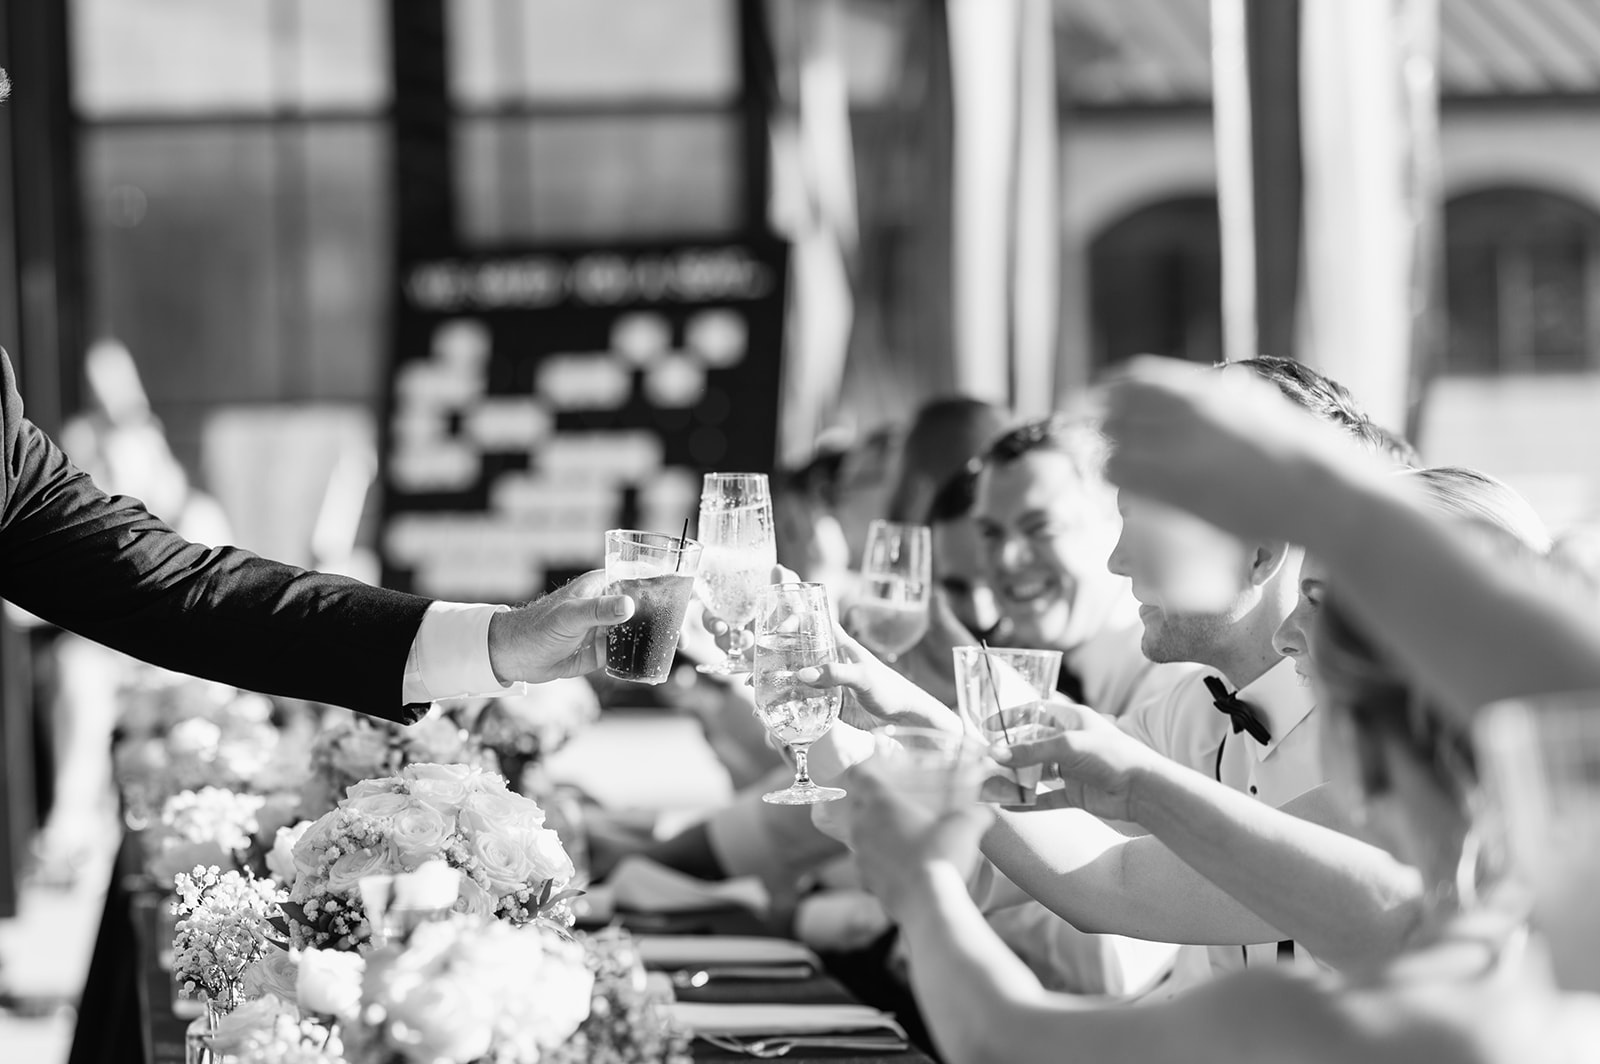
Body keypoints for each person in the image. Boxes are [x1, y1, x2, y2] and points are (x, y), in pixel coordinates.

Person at [820, 516, 1599, 1062]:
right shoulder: (1452, 880)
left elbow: (1006, 1039)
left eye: (1322, 602)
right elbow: (1115, 876)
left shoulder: (1423, 965)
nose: (1289, 630)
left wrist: (920, 886)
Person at [985, 466, 1550, 980]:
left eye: (1320, 601)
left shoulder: (1410, 841)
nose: (1286, 635)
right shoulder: (1382, 806)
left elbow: (1113, 884)